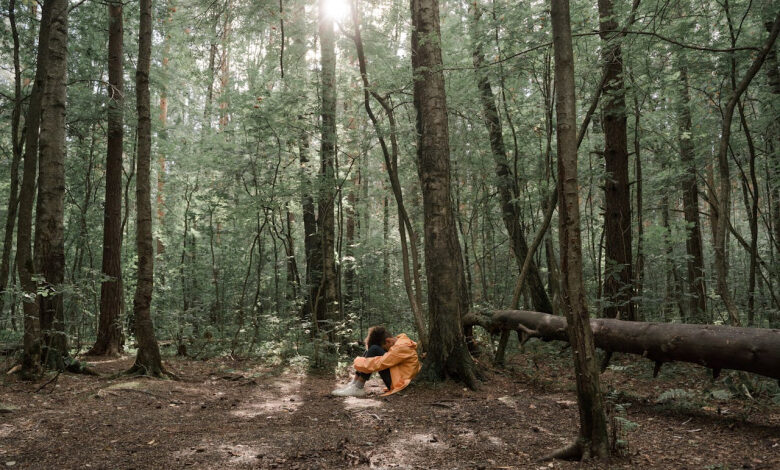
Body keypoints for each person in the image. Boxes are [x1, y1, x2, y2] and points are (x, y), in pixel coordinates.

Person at [331, 326, 421, 397]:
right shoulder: (399, 343)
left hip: (399, 383)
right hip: (397, 377)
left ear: (388, 341)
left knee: (374, 349)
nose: (385, 350)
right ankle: (354, 383)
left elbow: (379, 364)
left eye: (384, 347)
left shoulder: (401, 348)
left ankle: (358, 387)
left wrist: (358, 362)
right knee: (371, 349)